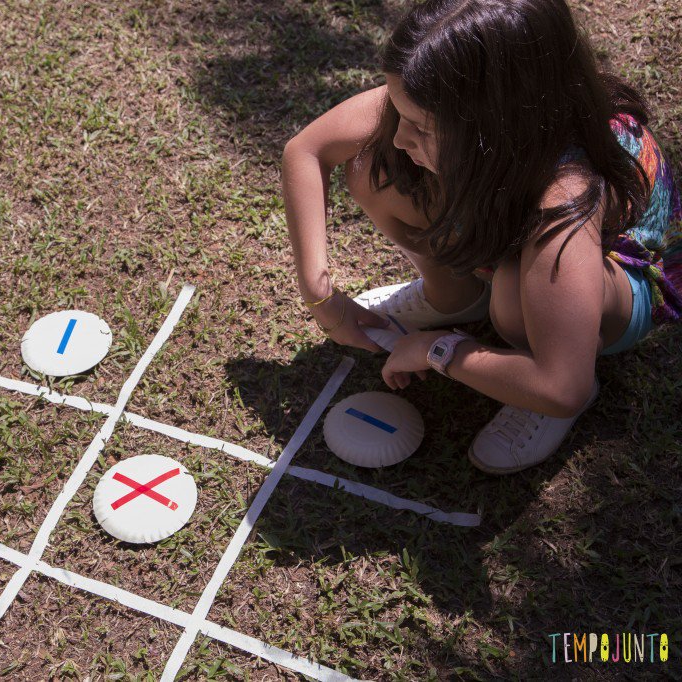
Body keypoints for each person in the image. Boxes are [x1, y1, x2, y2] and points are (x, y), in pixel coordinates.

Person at [283, 0, 681, 474]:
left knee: (515, 292)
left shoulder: (563, 200)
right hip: (515, 218)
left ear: (494, 123)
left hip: (614, 283)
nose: (399, 137)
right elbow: (305, 149)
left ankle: (537, 356)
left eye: (420, 127)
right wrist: (322, 298)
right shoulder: (471, 111)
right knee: (373, 167)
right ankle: (453, 296)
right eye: (399, 110)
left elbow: (562, 387)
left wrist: (440, 351)